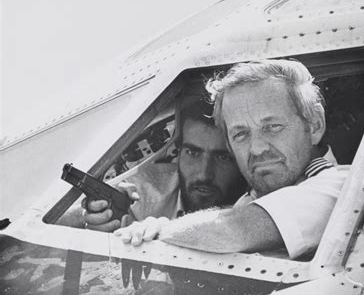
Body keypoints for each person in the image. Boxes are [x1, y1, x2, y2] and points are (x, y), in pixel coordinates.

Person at [115, 59, 347, 259]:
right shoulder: (250, 199)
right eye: (241, 134)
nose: (256, 149)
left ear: (315, 125)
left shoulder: (341, 187)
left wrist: (159, 230)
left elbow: (232, 230)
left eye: (272, 127)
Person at [58, 98, 247, 231]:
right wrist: (91, 214)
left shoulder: (257, 202)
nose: (204, 174)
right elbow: (50, 222)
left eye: (223, 158)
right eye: (193, 153)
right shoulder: (147, 189)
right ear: (178, 153)